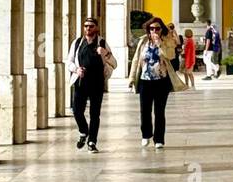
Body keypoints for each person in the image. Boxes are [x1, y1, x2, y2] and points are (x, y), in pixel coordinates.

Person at [128, 18, 184, 147]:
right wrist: (131, 78)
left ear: (161, 29)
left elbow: (170, 55)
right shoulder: (143, 41)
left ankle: (159, 139)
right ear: (148, 29)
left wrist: (160, 44)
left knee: (159, 111)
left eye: (157, 28)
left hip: (161, 81)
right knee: (145, 110)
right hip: (145, 81)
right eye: (151, 28)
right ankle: (146, 134)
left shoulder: (167, 41)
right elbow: (136, 60)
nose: (154, 31)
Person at [66, 16, 116, 153]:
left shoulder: (103, 43)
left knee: (95, 114)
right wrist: (76, 69)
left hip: (97, 82)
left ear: (96, 28)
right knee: (76, 111)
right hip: (81, 82)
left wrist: (105, 53)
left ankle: (92, 142)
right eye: (86, 26)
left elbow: (114, 63)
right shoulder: (77, 43)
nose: (88, 28)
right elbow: (69, 62)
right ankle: (83, 131)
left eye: (91, 26)